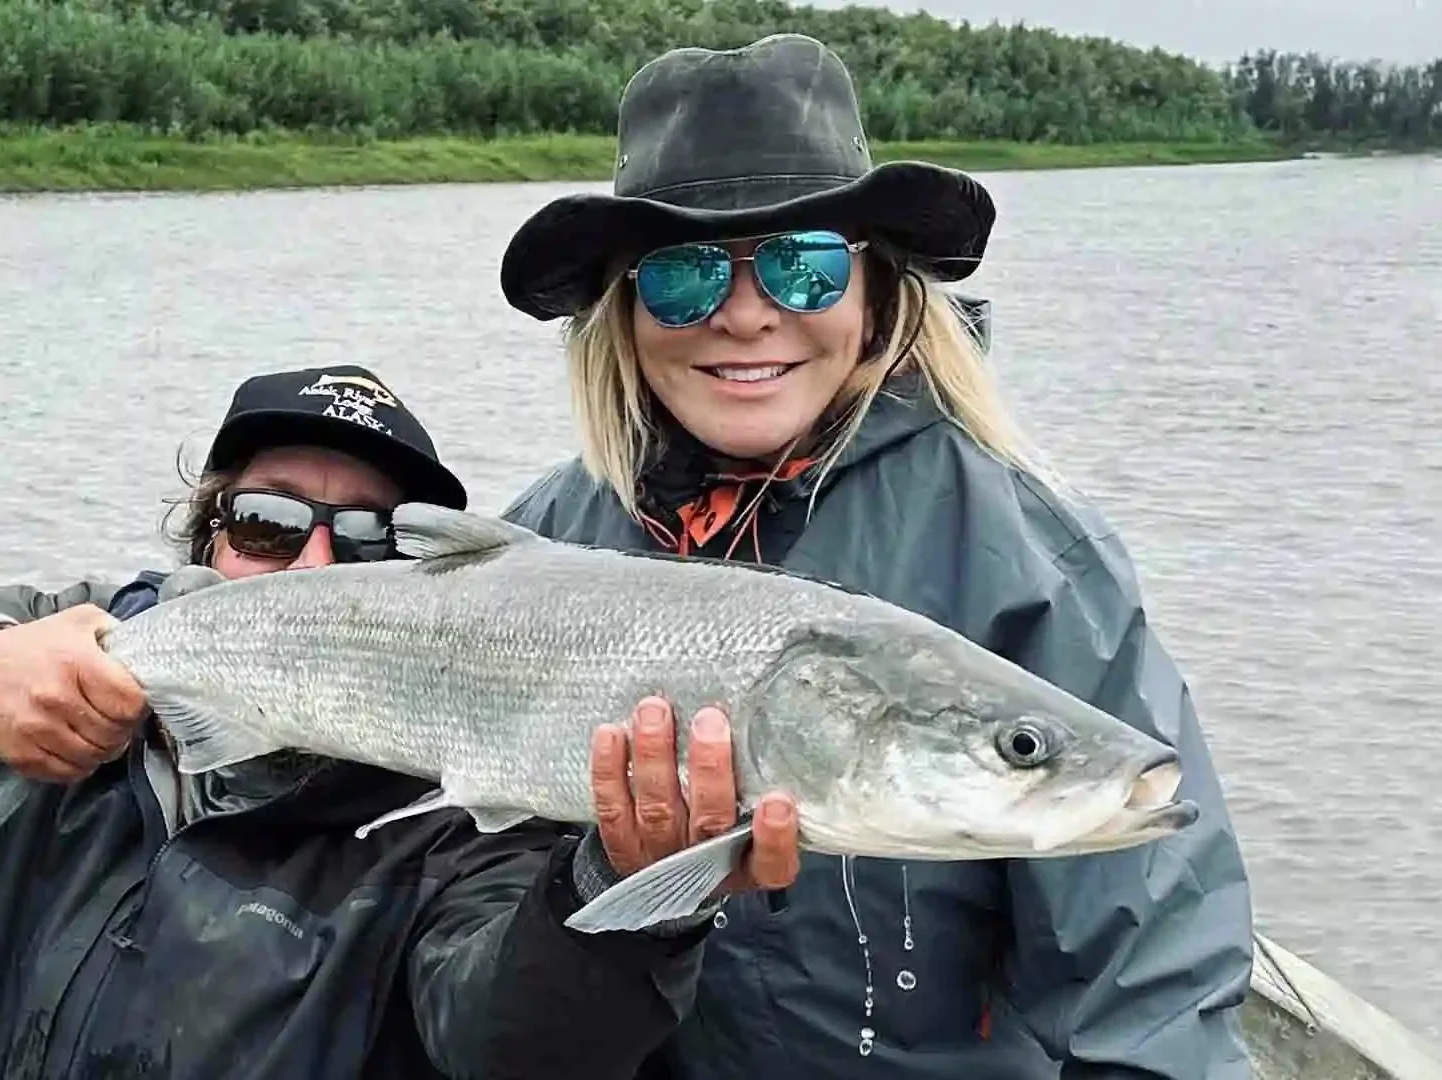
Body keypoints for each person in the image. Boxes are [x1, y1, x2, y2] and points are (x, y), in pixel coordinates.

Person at [0, 363, 801, 1080]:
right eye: (269, 523)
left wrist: (626, 898)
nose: (316, 563)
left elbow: (518, 1052)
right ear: (206, 540)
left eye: (376, 539)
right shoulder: (77, 658)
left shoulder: (474, 800)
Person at [493, 33, 1255, 1080]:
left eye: (805, 265)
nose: (747, 312)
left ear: (877, 289)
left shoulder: (1026, 553)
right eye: (681, 274)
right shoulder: (537, 542)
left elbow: (1154, 987)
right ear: (622, 309)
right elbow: (469, 978)